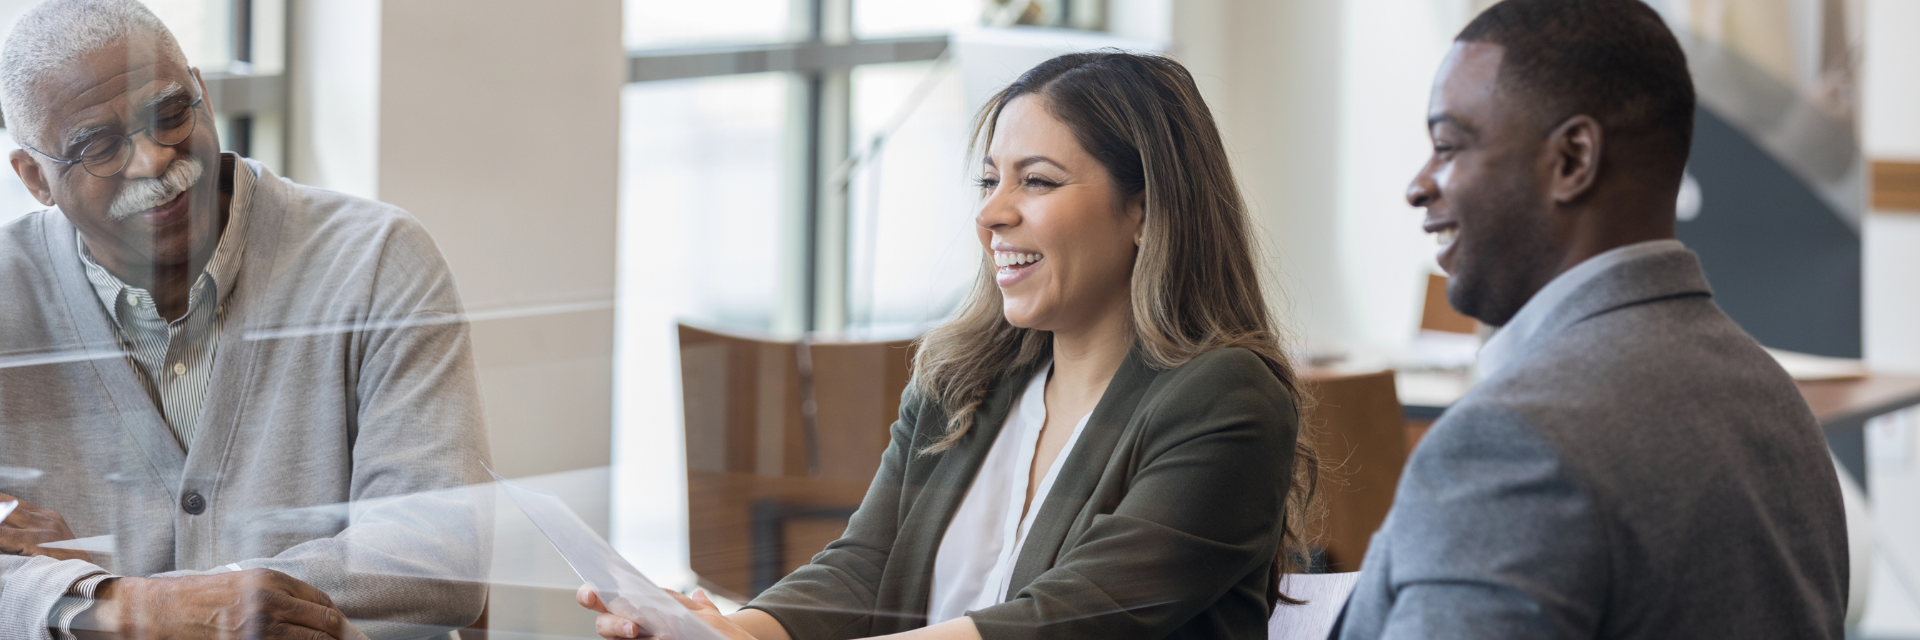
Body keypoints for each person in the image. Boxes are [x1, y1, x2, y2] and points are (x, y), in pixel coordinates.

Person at [581, 52, 1318, 640]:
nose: (991, 213)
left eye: (1037, 182)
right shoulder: (963, 378)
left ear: (1146, 210)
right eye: (989, 180)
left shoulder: (1226, 398)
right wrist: (732, 631)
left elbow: (1064, 621)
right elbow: (867, 566)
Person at [1334, 1, 1850, 638]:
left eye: (1447, 146)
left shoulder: (1510, 443)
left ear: (1573, 160)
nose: (1418, 185)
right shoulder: (1773, 397)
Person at [0, 0, 493, 638]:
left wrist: (125, 607)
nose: (154, 161)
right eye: (98, 147)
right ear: (35, 178)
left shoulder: (376, 258)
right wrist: (127, 609)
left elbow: (438, 553)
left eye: (169, 115)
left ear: (203, 95)